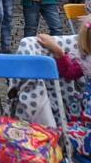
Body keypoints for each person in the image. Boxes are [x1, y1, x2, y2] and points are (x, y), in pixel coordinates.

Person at [37, 26, 91, 155]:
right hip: (83, 125)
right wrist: (58, 52)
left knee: (48, 137)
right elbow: (70, 72)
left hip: (85, 134)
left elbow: (70, 72)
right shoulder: (88, 63)